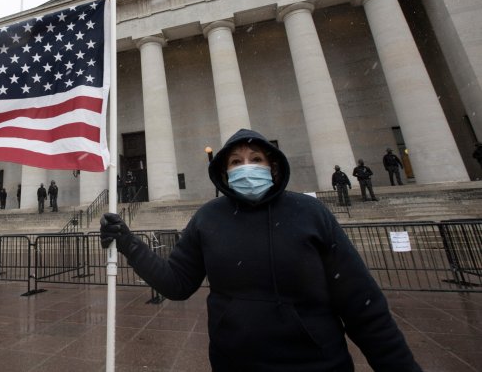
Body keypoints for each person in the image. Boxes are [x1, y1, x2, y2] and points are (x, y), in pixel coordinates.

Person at [100, 129, 421, 371]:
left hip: (316, 365)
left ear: (274, 167)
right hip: (235, 364)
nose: (246, 168)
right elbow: (177, 283)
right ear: (224, 173)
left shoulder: (309, 213)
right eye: (236, 162)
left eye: (256, 160)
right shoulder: (208, 218)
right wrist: (128, 242)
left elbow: (364, 308)